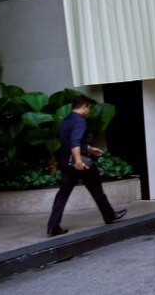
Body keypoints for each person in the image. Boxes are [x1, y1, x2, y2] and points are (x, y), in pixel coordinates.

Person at [46, 95, 126, 236]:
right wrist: (78, 161)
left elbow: (70, 141)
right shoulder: (79, 121)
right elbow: (75, 142)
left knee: (62, 194)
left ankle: (53, 226)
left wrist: (89, 148)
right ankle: (109, 215)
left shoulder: (66, 120)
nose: (88, 111)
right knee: (96, 188)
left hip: (65, 160)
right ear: (84, 106)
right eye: (88, 108)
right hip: (79, 162)